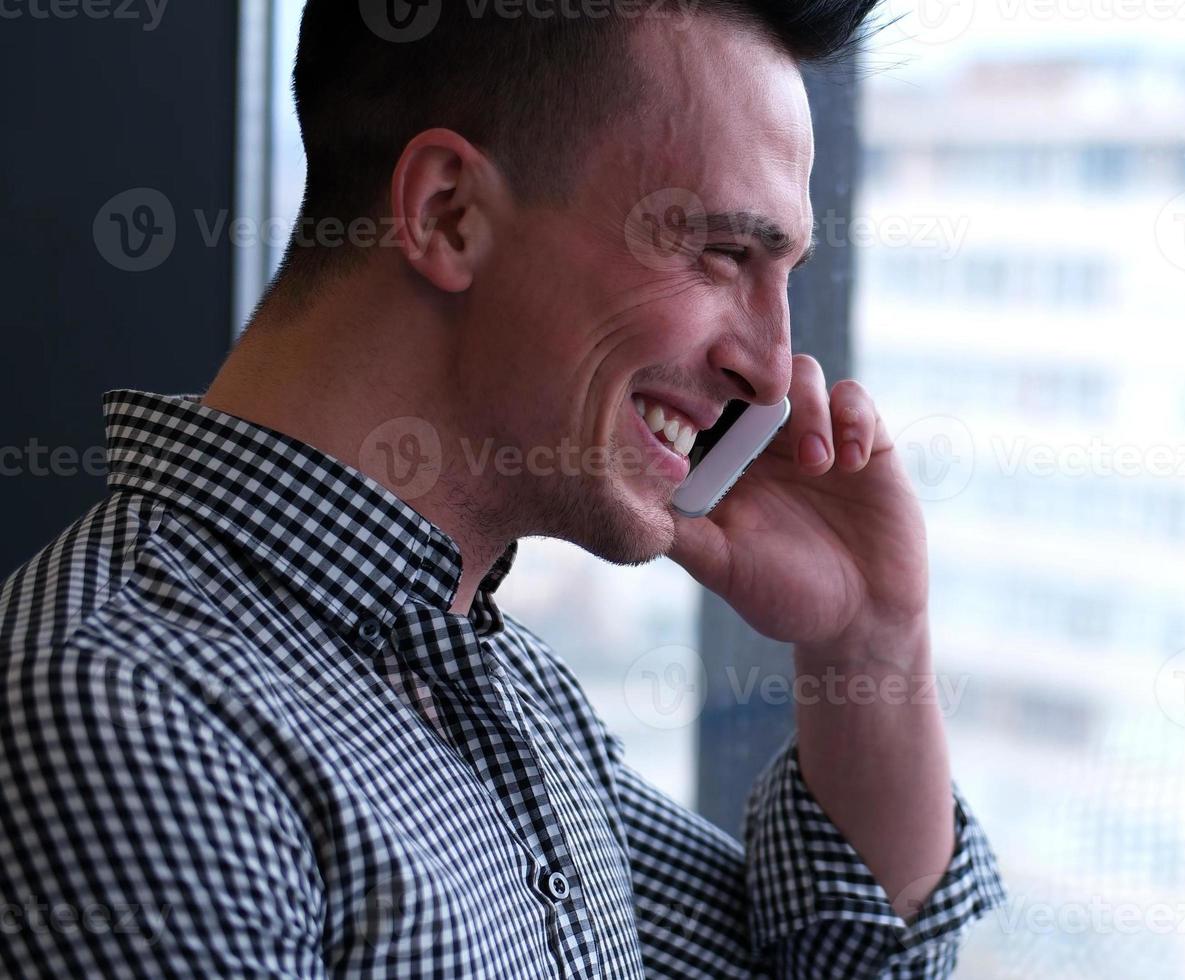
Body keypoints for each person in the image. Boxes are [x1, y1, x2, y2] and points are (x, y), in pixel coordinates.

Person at [0, 1, 1004, 976]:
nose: (774, 370)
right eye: (720, 253)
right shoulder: (125, 709)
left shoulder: (503, 687)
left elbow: (840, 957)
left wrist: (869, 634)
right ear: (449, 213)